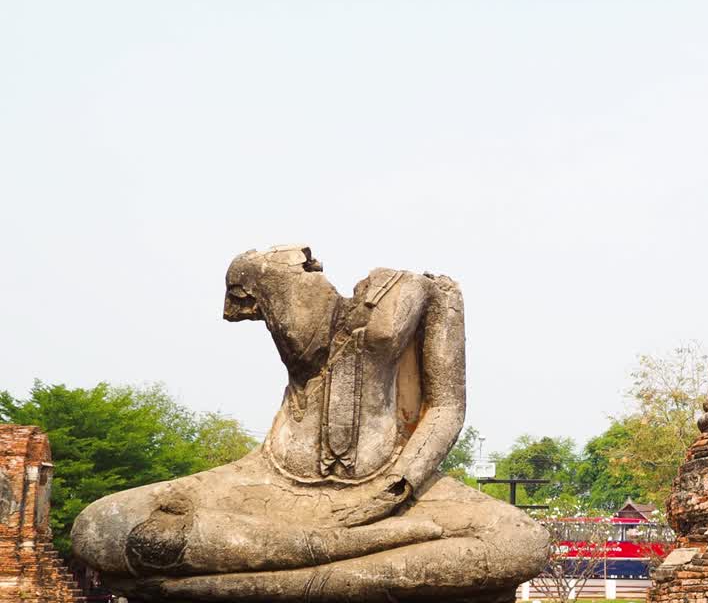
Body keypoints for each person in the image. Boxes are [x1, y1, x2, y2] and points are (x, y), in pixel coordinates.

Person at [72, 246, 549, 603]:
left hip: (390, 483)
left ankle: (250, 585)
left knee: (522, 543)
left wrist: (397, 486)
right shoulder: (264, 270)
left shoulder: (429, 291)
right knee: (99, 528)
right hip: (273, 479)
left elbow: (446, 406)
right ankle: (345, 545)